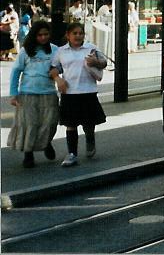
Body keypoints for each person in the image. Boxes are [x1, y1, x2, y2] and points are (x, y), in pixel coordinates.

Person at [50, 22, 108, 167]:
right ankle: (72, 154)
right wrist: (58, 79)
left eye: (80, 33)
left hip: (88, 90)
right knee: (71, 124)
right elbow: (53, 69)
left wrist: (95, 61)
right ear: (68, 35)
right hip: (69, 92)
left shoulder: (91, 48)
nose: (78, 36)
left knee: (89, 123)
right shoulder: (61, 51)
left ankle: (90, 139)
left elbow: (104, 62)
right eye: (74, 33)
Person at [7, 21, 60, 168]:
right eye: (40, 35)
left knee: (50, 123)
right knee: (29, 125)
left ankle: (46, 143)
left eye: (46, 34)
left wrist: (57, 72)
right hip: (28, 93)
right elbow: (16, 71)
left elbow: (61, 67)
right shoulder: (26, 51)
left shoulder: (55, 50)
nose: (43, 37)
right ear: (34, 35)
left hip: (49, 93)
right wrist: (13, 93)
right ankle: (28, 154)